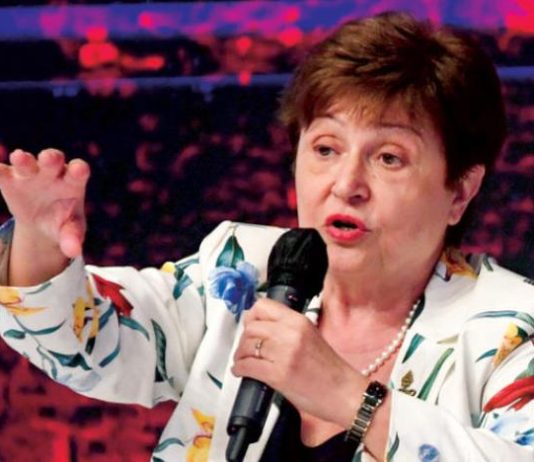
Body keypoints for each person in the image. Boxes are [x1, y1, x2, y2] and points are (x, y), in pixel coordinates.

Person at [0, 10, 533, 462]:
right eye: (325, 149)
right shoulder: (240, 271)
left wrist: (349, 398)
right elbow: (88, 341)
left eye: (389, 158)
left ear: (460, 191)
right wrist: (39, 241)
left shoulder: (511, 329)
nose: (345, 184)